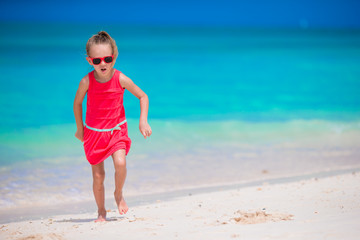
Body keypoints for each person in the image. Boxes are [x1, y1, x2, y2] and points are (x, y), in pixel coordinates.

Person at [73, 31, 152, 222]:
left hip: (116, 130)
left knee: (121, 163)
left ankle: (118, 194)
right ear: (89, 61)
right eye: (97, 60)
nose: (103, 64)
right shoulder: (86, 81)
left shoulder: (120, 79)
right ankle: (101, 211)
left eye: (107, 59)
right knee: (98, 177)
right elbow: (77, 104)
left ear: (113, 58)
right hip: (94, 134)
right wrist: (79, 128)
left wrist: (143, 120)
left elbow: (143, 96)